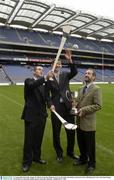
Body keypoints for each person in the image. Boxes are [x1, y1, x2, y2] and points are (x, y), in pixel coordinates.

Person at [47, 49, 78, 162]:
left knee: (71, 131)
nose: (59, 65)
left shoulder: (65, 75)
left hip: (68, 107)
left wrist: (70, 60)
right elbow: (46, 95)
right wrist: (50, 104)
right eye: (57, 63)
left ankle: (70, 152)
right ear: (53, 65)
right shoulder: (48, 77)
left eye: (60, 63)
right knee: (56, 132)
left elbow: (74, 72)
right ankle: (59, 153)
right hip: (56, 108)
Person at [21, 66, 51, 172]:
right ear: (34, 72)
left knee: (38, 139)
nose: (41, 71)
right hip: (31, 116)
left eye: (42, 70)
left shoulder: (44, 84)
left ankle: (37, 158)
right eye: (38, 70)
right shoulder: (28, 81)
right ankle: (26, 162)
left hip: (42, 116)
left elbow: (47, 96)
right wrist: (45, 78)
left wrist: (50, 104)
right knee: (29, 141)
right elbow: (33, 85)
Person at [73, 68, 102, 174]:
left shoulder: (96, 89)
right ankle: (83, 159)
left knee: (90, 145)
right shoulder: (80, 89)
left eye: (89, 73)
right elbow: (77, 102)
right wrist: (75, 105)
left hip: (89, 123)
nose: (86, 74)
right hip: (79, 121)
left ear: (93, 77)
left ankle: (91, 164)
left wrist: (83, 110)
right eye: (85, 73)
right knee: (81, 143)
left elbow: (98, 105)